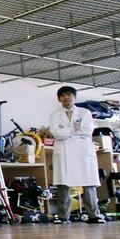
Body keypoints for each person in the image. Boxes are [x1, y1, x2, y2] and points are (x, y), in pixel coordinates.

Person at [48, 86, 105, 224]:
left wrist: (65, 131)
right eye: (63, 95)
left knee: (88, 183)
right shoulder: (55, 115)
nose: (66, 98)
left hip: (82, 151)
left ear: (74, 97)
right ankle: (63, 216)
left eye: (69, 95)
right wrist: (74, 130)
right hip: (64, 152)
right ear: (59, 99)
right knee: (63, 185)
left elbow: (87, 131)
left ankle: (94, 215)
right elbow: (55, 133)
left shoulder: (85, 112)